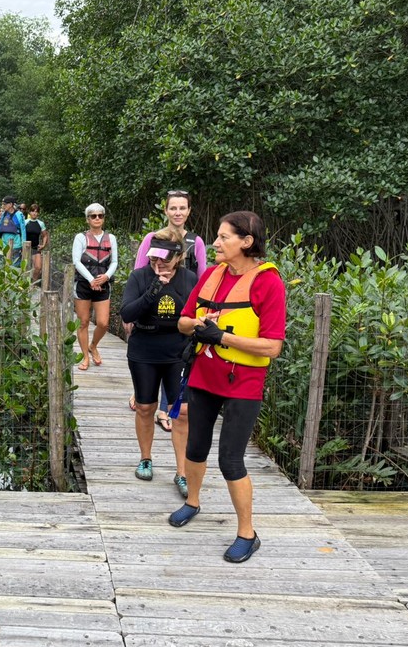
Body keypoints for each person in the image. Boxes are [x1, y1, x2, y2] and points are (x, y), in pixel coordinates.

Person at [168, 210, 286, 563]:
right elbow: (183, 322)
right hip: (204, 376)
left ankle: (247, 534)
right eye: (217, 237)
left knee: (231, 460)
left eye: (224, 238)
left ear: (247, 242)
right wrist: (200, 324)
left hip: (243, 382)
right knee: (196, 446)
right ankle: (192, 502)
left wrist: (224, 337)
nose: (215, 243)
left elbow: (273, 346)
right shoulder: (212, 275)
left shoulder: (268, 283)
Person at [120, 227, 197, 495]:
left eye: (164, 258)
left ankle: (182, 472)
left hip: (178, 350)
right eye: (154, 257)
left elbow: (198, 313)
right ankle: (146, 458)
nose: (158, 262)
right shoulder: (140, 277)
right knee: (145, 407)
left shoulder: (190, 280)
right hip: (144, 348)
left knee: (182, 411)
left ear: (178, 256)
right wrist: (154, 288)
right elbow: (128, 312)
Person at [130, 189, 209, 424]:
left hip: (182, 309)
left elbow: (203, 277)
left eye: (182, 208)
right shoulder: (152, 238)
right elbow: (139, 272)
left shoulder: (196, 242)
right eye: (173, 208)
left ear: (189, 211)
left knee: (177, 358)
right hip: (152, 309)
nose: (177, 212)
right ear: (165, 210)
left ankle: (165, 410)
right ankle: (153, 403)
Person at [73, 202, 118, 370]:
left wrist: (105, 277)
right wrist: (91, 279)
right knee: (83, 321)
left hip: (103, 284)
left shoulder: (111, 238)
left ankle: (94, 345)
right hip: (84, 284)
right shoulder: (80, 237)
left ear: (103, 218)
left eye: (100, 215)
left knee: (103, 322)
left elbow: (114, 261)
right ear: (88, 219)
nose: (97, 218)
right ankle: (85, 356)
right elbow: (77, 261)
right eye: (93, 216)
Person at [0, 195, 26, 266]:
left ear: (11, 204)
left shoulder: (19, 214)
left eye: (4, 204)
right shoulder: (4, 214)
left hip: (16, 244)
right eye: (2, 204)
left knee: (14, 266)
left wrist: (24, 244)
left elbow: (23, 230)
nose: (3, 206)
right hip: (4, 243)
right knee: (1, 265)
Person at [24, 203, 48, 283]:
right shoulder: (25, 222)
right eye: (33, 211)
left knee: (38, 267)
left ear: (38, 213)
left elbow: (45, 235)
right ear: (29, 212)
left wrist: (43, 245)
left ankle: (33, 284)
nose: (34, 213)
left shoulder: (41, 223)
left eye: (36, 211)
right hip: (25, 248)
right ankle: (24, 285)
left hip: (35, 248)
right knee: (25, 268)